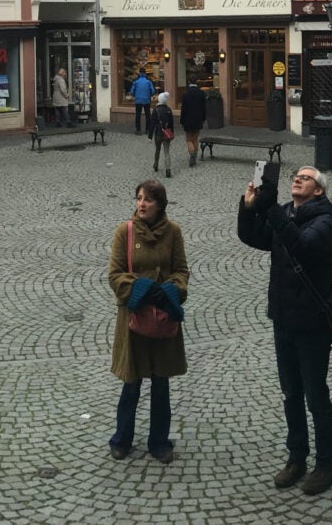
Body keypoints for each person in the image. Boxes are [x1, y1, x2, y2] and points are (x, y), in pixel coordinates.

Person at [237, 164, 332, 496]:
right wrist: (249, 206)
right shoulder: (284, 212)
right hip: (283, 318)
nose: (298, 178)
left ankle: (326, 464)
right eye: (296, 175)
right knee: (291, 394)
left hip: (311, 323)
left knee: (315, 394)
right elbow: (252, 237)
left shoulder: (324, 221)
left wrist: (271, 210)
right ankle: (297, 457)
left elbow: (301, 246)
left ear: (318, 190)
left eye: (306, 177)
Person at [107, 179, 188, 463]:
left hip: (163, 314)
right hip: (134, 316)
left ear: (160, 205)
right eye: (139, 198)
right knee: (131, 382)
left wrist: (168, 291)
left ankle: (159, 442)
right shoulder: (124, 232)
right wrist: (142, 289)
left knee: (161, 382)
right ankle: (122, 438)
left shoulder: (173, 232)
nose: (142, 204)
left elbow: (181, 272)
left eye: (148, 199)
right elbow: (115, 275)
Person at [179, 81, 207, 168]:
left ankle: (191, 153)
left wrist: (182, 120)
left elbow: (183, 109)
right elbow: (204, 108)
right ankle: (194, 155)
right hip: (198, 119)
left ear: (189, 84)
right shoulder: (201, 93)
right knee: (195, 138)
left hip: (188, 119)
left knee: (188, 139)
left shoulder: (185, 94)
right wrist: (203, 118)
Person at [148, 92, 174, 178]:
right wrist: (172, 134)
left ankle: (156, 164)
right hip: (166, 133)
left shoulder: (156, 110)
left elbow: (152, 124)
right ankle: (168, 169)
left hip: (158, 133)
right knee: (167, 152)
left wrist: (150, 136)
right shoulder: (168, 110)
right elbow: (171, 124)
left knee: (157, 149)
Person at [130, 69, 156, 134]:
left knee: (138, 115)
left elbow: (131, 91)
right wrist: (149, 95)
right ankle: (147, 129)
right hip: (147, 100)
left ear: (139, 73)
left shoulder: (136, 82)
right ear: (145, 73)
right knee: (147, 115)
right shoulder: (148, 82)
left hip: (138, 100)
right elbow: (153, 91)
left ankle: (138, 130)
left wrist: (135, 95)